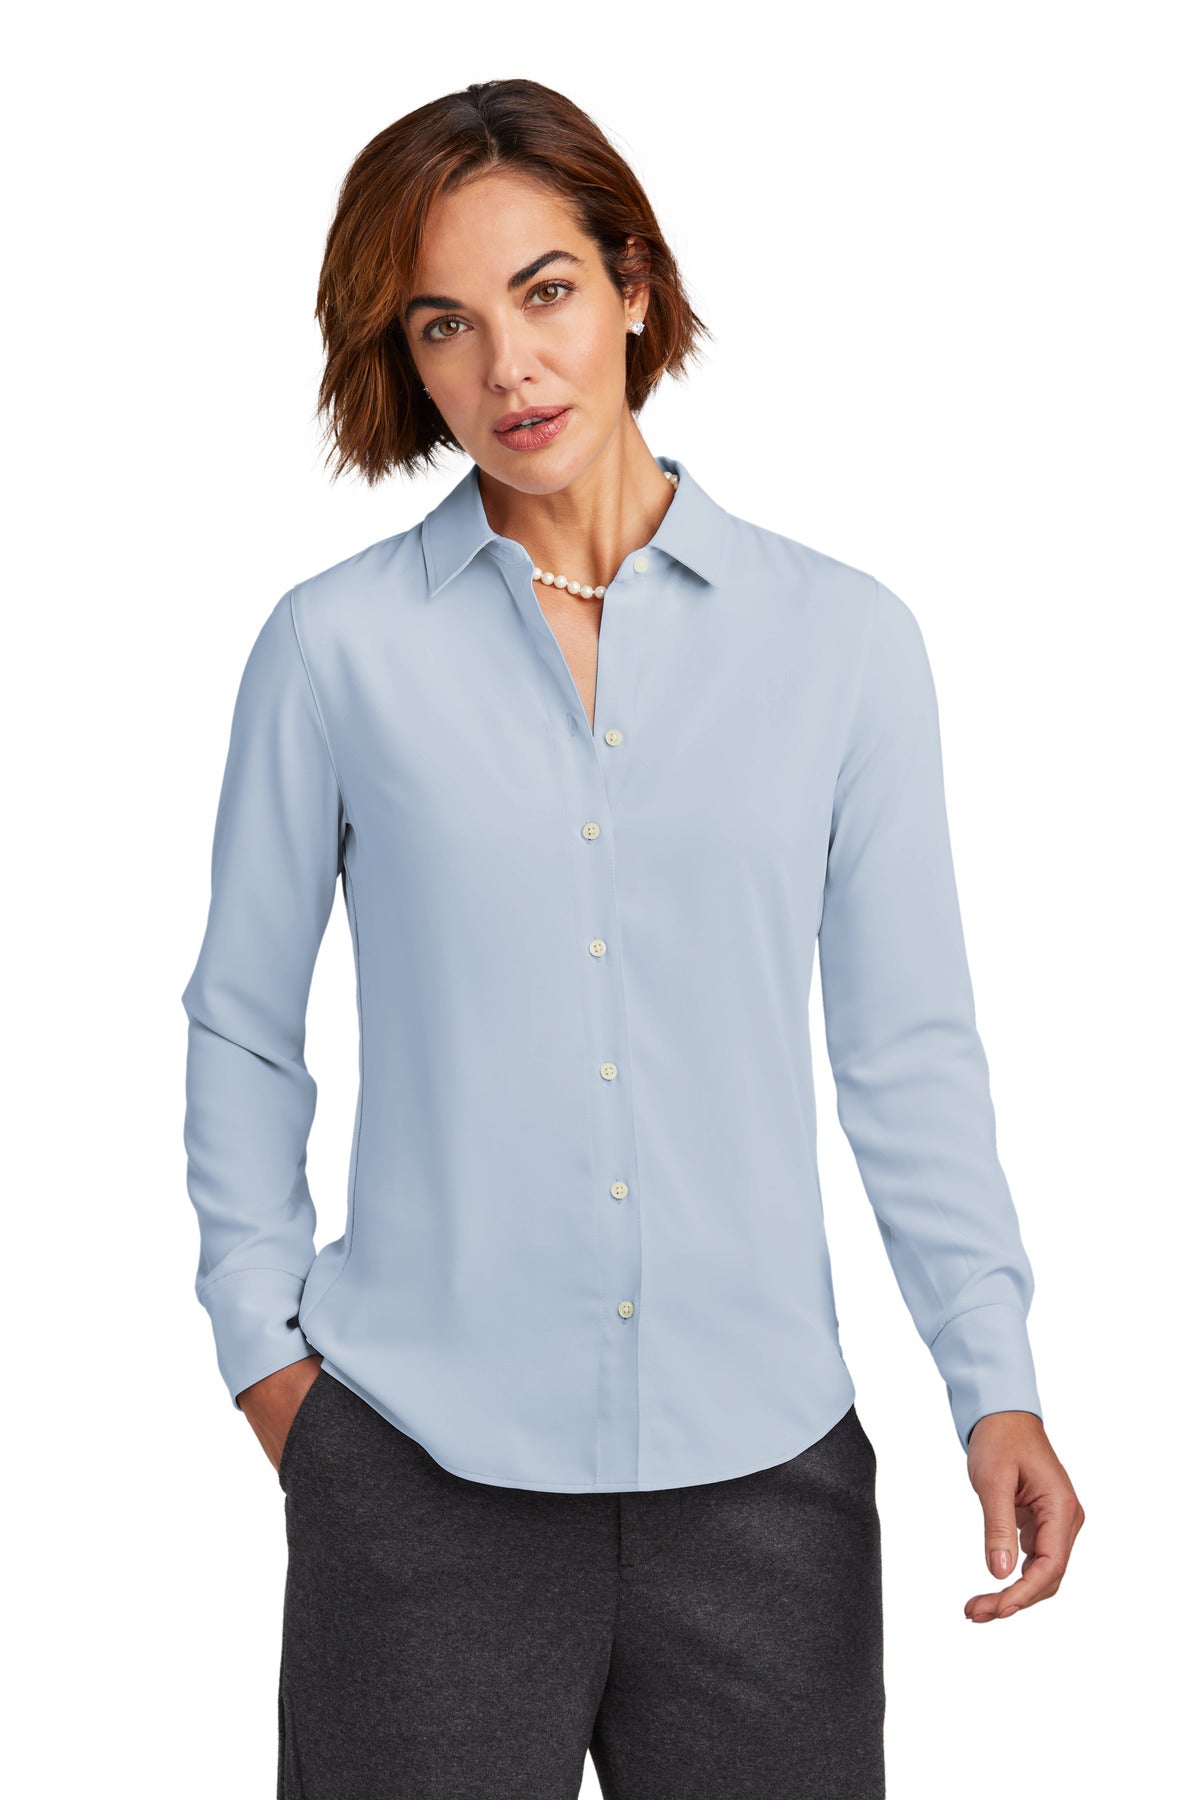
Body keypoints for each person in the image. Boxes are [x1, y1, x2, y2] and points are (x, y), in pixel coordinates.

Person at [180, 76, 1084, 1800]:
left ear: (635, 286)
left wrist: (995, 1382)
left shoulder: (843, 644)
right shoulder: (332, 652)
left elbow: (907, 1053)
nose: (508, 368)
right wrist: (270, 1368)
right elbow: (242, 1022)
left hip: (767, 1491)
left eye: (545, 293)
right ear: (408, 360)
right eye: (446, 324)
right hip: (418, 1480)